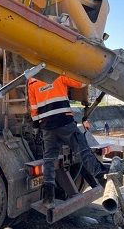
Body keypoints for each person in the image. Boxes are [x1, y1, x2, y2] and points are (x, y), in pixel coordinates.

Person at [27, 75, 108, 207]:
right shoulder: (57, 72)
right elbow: (80, 83)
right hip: (64, 123)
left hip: (47, 127)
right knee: (82, 150)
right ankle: (102, 177)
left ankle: (49, 198)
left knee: (49, 160)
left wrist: (37, 126)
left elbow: (34, 107)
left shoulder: (31, 81)